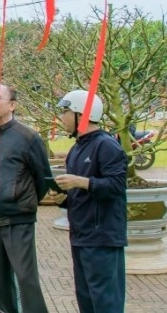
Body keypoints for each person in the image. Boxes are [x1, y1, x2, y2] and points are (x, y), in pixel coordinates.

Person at [0, 83, 50, 313]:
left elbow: (42, 178)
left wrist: (21, 199)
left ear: (12, 105)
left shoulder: (28, 137)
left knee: (26, 278)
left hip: (18, 219)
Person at [54, 89, 127, 313]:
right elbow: (82, 191)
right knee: (86, 298)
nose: (62, 117)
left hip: (102, 236)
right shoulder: (77, 148)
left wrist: (81, 182)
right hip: (81, 234)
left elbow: (116, 186)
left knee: (105, 300)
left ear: (81, 114)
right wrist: (63, 198)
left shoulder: (106, 145)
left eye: (66, 111)